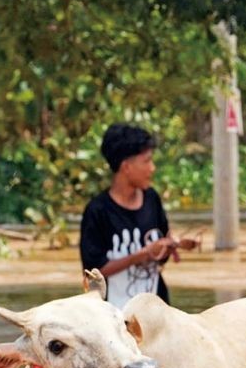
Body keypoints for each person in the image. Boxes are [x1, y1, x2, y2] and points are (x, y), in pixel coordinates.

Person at [81, 124, 199, 309]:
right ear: (126, 167)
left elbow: (160, 254)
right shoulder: (97, 211)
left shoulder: (152, 199)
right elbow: (95, 272)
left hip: (155, 309)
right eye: (147, 161)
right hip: (115, 316)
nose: (152, 168)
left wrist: (172, 246)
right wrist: (142, 255)